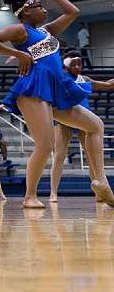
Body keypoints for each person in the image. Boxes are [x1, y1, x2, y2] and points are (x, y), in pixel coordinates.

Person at [0, 0, 114, 208]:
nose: (44, 9)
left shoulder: (47, 31)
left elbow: (73, 12)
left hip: (55, 87)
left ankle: (100, 181)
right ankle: (29, 196)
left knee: (95, 125)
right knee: (45, 145)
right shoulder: (21, 30)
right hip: (33, 87)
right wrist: (18, 53)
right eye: (39, 5)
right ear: (26, 11)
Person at [49, 51, 114, 202]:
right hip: (64, 117)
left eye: (80, 63)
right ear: (66, 65)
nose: (78, 66)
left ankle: (99, 192)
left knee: (92, 156)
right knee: (59, 155)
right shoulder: (61, 77)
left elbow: (108, 85)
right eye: (74, 64)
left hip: (83, 119)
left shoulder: (84, 78)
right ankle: (53, 193)